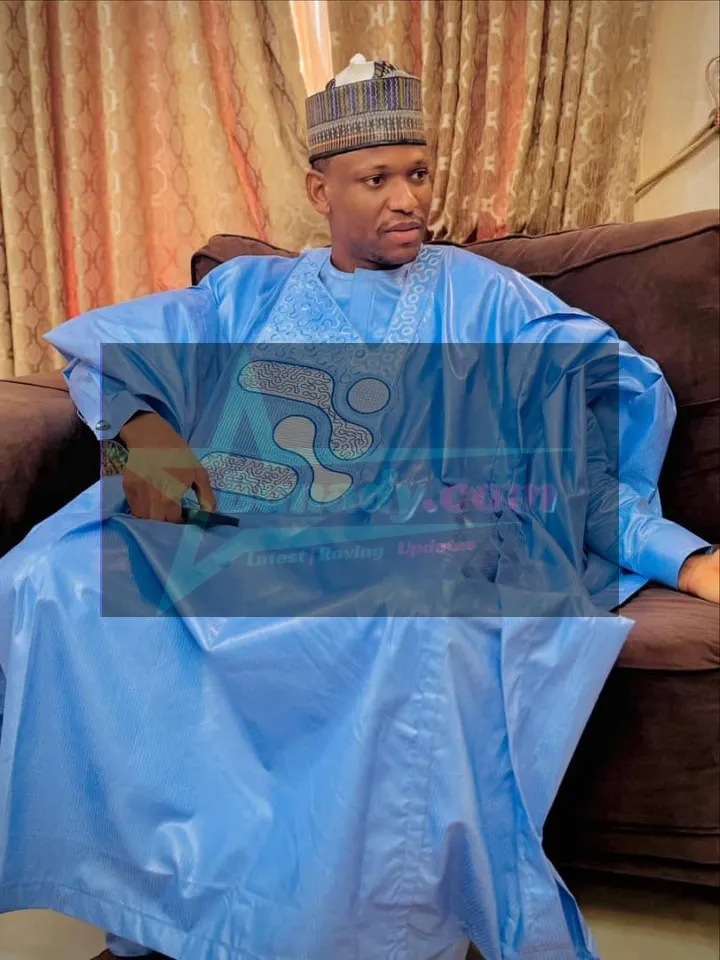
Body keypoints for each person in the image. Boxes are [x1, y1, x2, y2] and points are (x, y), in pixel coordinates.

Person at [0, 54, 717, 960]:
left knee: (416, 619)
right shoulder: (248, 291)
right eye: (377, 180)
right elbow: (116, 356)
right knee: (51, 575)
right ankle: (152, 906)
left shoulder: (484, 295)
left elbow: (575, 436)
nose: (407, 199)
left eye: (418, 173)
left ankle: (356, 933)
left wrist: (682, 556)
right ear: (321, 190)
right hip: (243, 522)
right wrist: (143, 428)